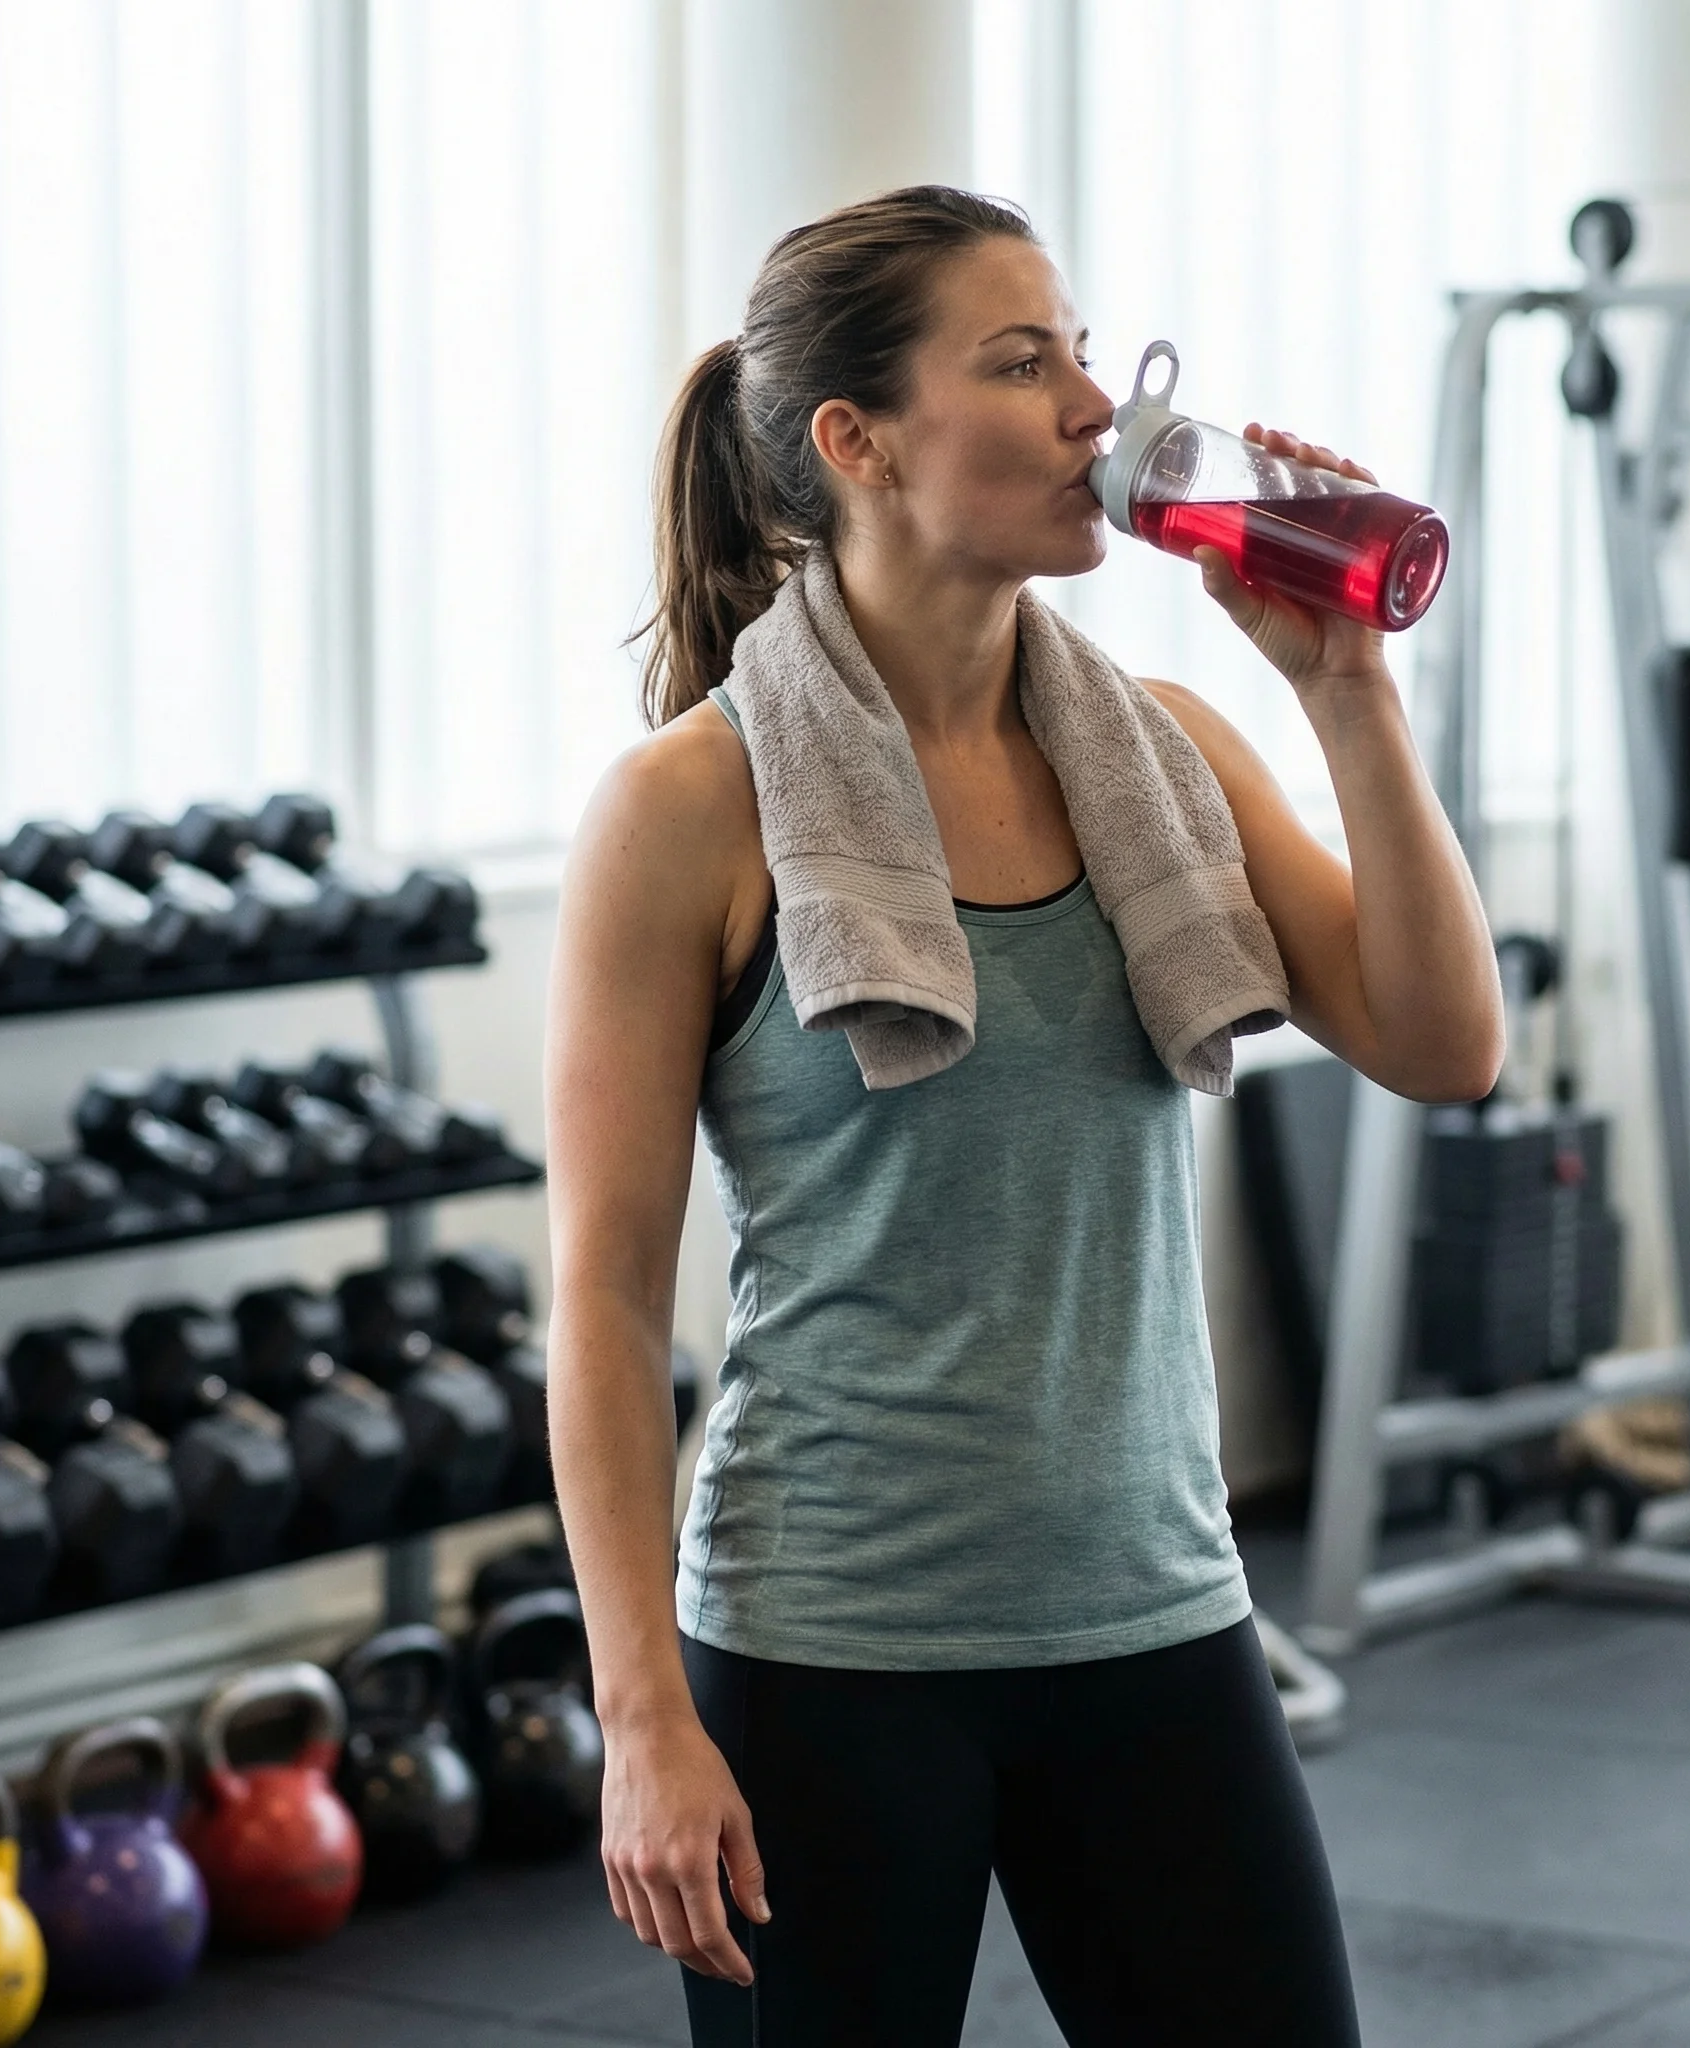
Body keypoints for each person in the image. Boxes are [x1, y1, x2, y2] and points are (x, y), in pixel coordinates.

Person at [544, 185, 1502, 2047]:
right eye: (1020, 361)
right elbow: (597, 1300)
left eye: (1080, 348)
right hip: (827, 1647)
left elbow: (1441, 1042)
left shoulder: (1169, 747)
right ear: (860, 440)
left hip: (1154, 1613)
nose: (1092, 404)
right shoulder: (690, 808)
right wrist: (643, 1717)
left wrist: (1350, 694)